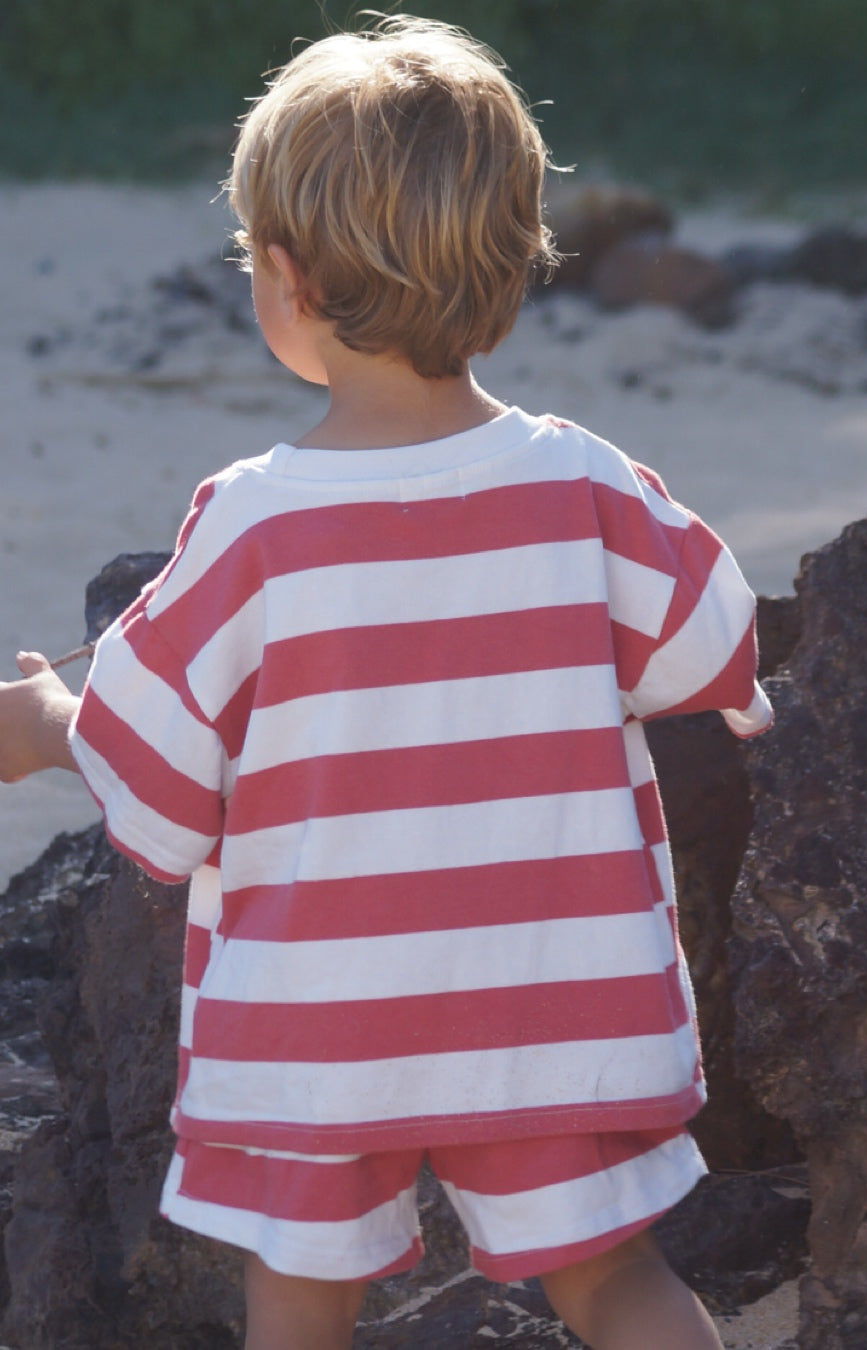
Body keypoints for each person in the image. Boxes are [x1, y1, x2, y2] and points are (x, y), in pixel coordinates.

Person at [0, 15, 772, 1350]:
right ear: (515, 272)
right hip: (553, 1001)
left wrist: (50, 724)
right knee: (612, 1277)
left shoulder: (249, 524)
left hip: (320, 1033)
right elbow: (715, 648)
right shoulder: (584, 485)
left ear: (284, 280)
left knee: (298, 1301)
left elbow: (166, 789)